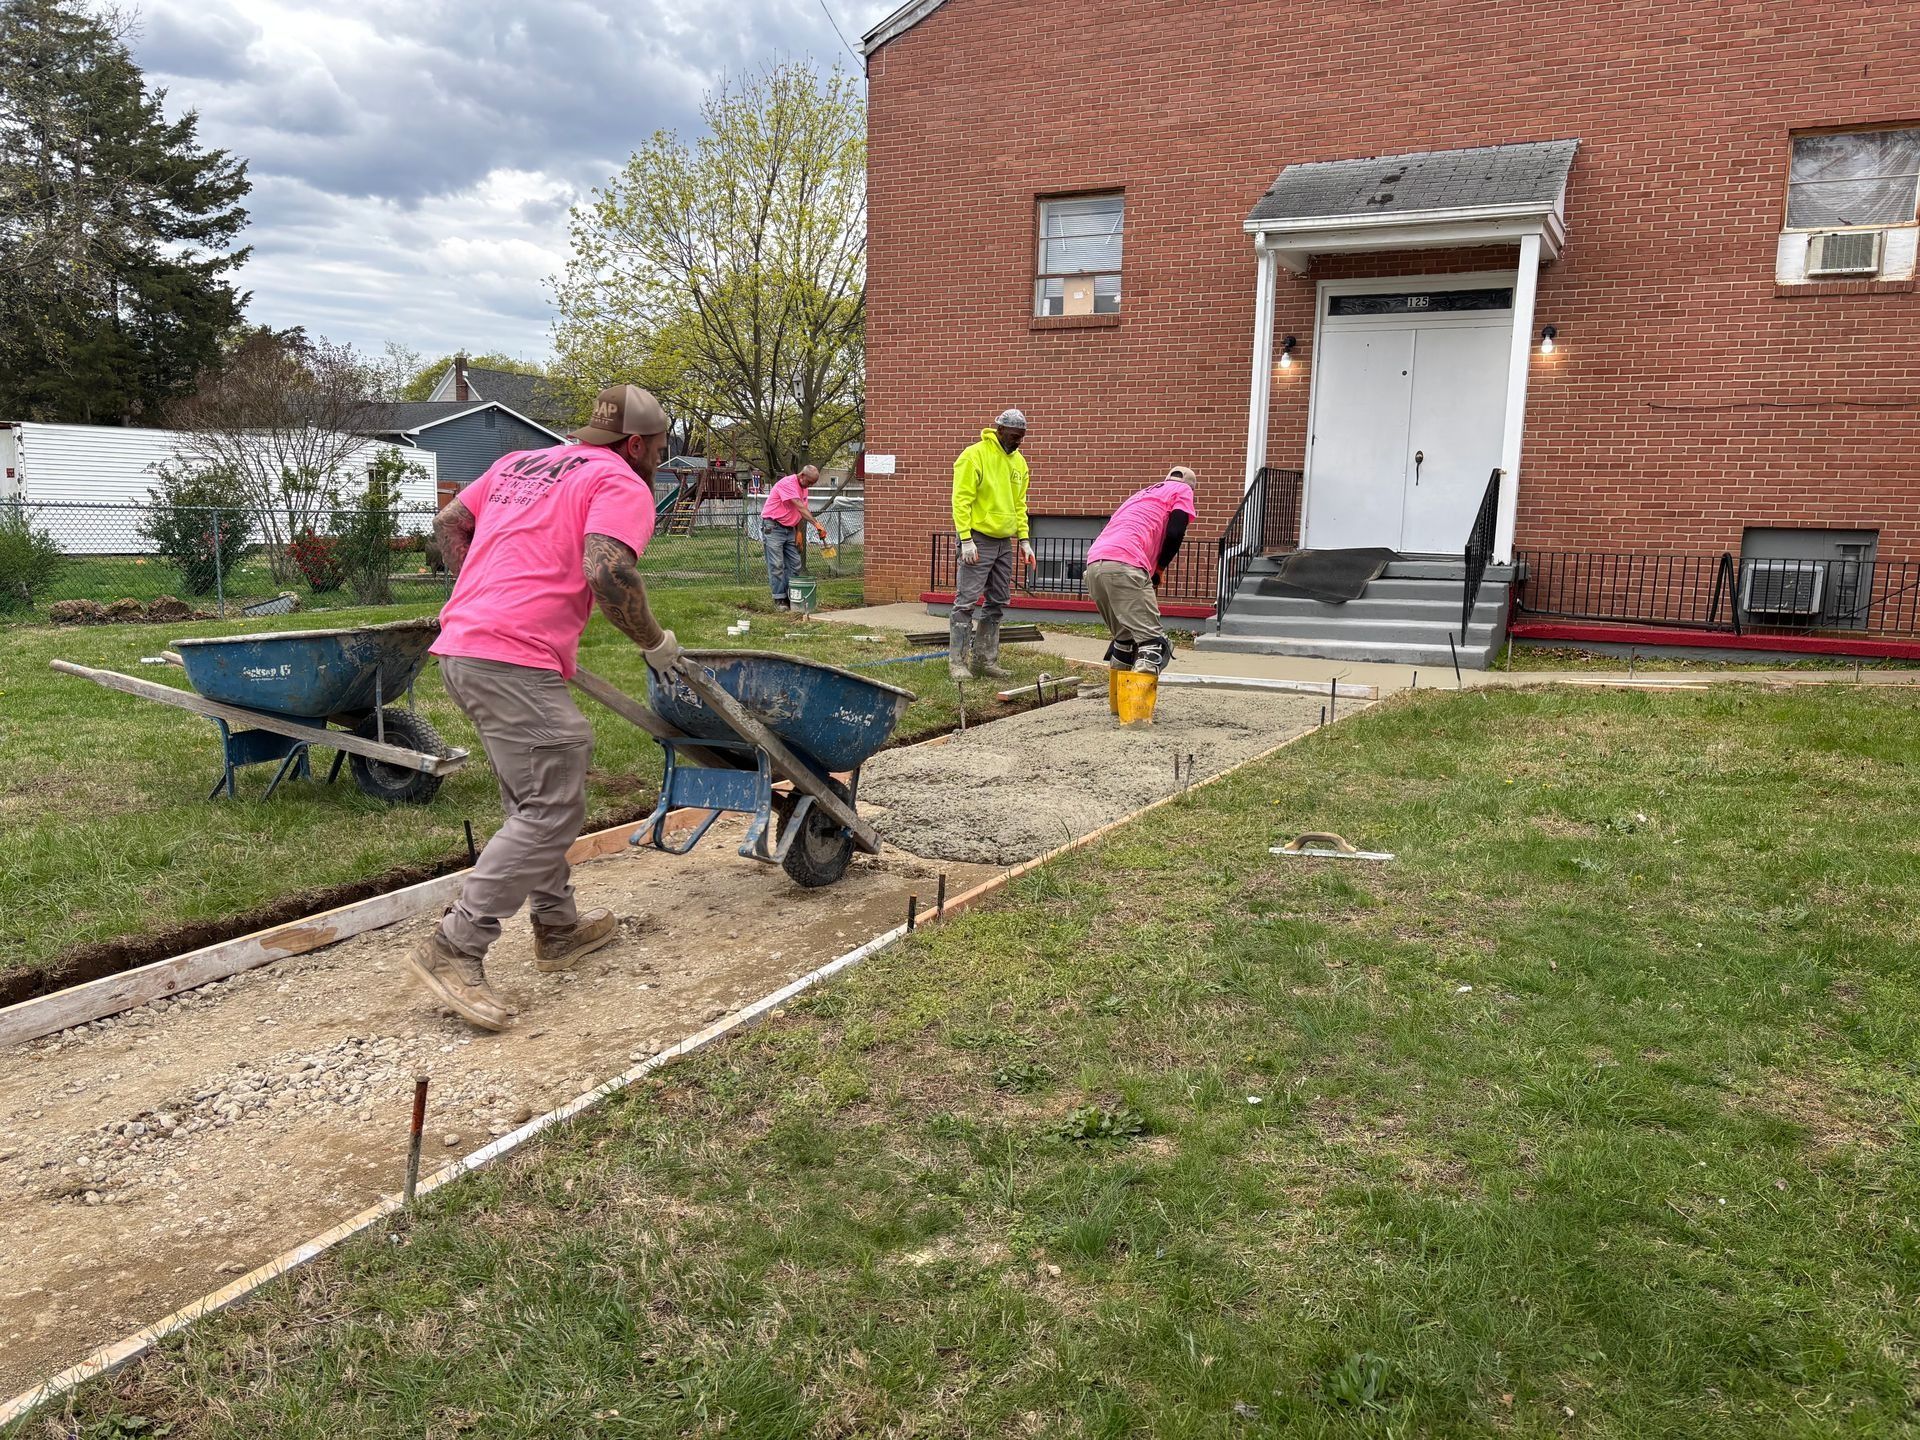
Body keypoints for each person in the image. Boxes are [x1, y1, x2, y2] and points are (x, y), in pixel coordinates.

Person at [414, 383, 689, 1033]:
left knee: (533, 794)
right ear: (634, 444)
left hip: (467, 647)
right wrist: (654, 643)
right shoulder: (621, 483)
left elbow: (450, 522)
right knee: (556, 785)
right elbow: (607, 570)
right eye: (658, 447)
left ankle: (558, 927)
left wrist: (483, 590)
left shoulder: (521, 464)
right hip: (508, 656)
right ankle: (455, 947)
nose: (659, 457)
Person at [1084, 466, 1199, 675]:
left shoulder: (1141, 495)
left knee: (1124, 642)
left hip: (1095, 564)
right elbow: (1175, 532)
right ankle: (1137, 708)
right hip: (1126, 564)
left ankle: (1118, 705)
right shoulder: (1182, 491)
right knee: (1151, 646)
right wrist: (1160, 568)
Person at [950, 408, 1035, 681]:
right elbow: (960, 500)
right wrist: (966, 539)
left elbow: (1020, 504)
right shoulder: (974, 455)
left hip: (1004, 541)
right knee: (966, 602)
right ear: (999, 430)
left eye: (1021, 437)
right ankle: (957, 663)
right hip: (977, 538)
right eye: (1013, 436)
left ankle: (985, 661)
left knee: (998, 600)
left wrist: (1024, 540)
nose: (1017, 442)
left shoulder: (1019, 463)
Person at [759, 463, 830, 609]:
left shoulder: (804, 488)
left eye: (812, 484)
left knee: (795, 564)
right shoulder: (787, 483)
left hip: (790, 529)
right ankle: (780, 599)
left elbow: (798, 512)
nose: (809, 486)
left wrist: (798, 532)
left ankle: (792, 597)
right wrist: (816, 524)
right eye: (809, 482)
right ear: (802, 475)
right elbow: (800, 507)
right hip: (773, 527)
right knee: (777, 565)